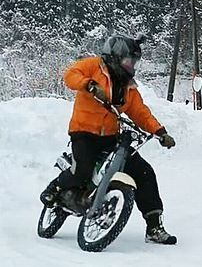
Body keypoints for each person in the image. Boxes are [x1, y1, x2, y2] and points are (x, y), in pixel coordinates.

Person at [40, 33, 177, 245]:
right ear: (115, 56)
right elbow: (70, 75)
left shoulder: (127, 85)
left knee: (144, 172)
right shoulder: (93, 66)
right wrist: (89, 85)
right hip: (84, 133)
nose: (132, 65)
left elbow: (140, 112)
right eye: (129, 60)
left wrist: (160, 132)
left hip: (111, 136)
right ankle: (55, 187)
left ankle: (154, 227)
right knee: (82, 169)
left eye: (134, 61)